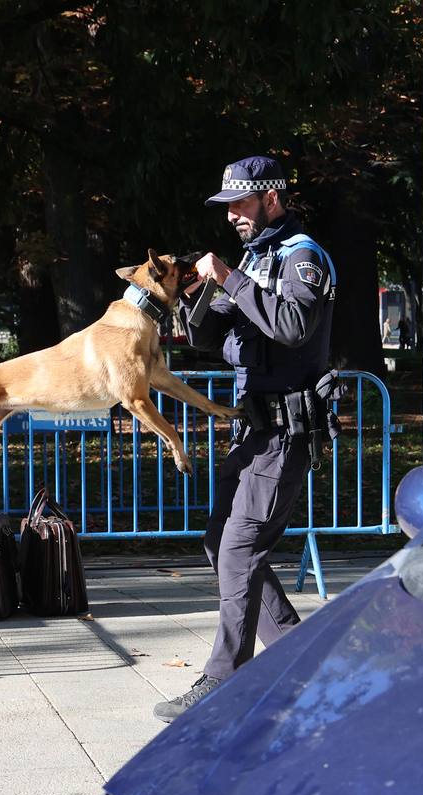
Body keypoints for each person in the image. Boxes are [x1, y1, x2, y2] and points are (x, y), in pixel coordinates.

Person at [153, 155, 338, 722]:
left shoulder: (301, 256)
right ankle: (301, 666)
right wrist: (193, 294)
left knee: (239, 548)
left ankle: (223, 680)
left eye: (241, 203)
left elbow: (290, 327)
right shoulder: (254, 259)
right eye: (228, 206)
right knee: (221, 543)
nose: (232, 215)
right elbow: (213, 339)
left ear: (272, 198)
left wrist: (231, 278)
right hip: (251, 430)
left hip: (287, 431)